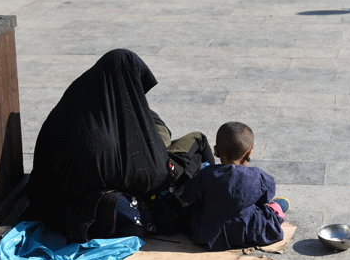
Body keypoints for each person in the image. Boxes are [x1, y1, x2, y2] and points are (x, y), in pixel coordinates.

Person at [25, 49, 215, 242]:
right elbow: (154, 175)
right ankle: (215, 199)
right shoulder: (115, 142)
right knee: (195, 148)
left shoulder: (70, 107)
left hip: (56, 204)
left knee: (115, 205)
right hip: (102, 200)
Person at [180, 122, 289, 251]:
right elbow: (267, 194)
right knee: (268, 211)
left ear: (215, 150)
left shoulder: (205, 175)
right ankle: (276, 208)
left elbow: (188, 194)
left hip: (210, 235)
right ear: (249, 154)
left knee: (196, 208)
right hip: (247, 231)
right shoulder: (256, 176)